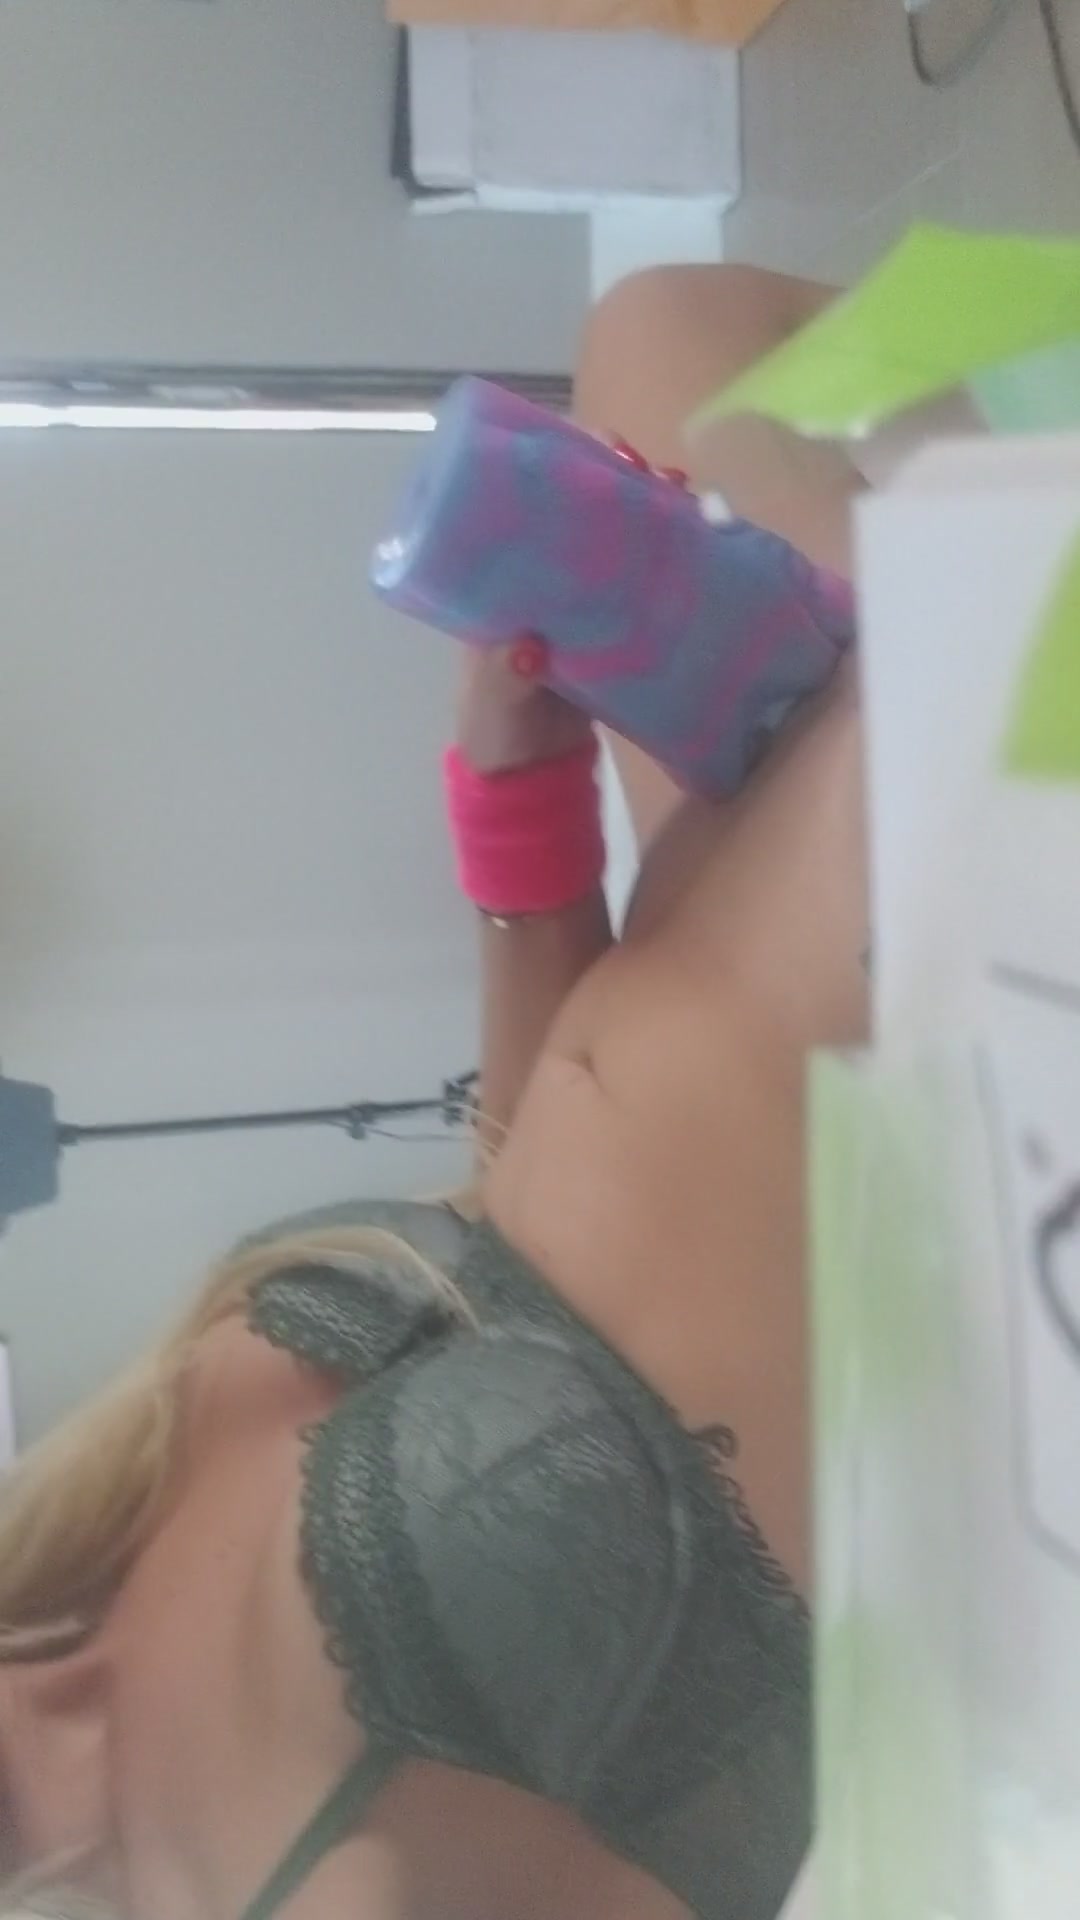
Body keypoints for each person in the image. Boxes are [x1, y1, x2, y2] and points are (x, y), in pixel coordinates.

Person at [0, 264, 869, 1920]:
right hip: (899, 1084)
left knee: (666, 330)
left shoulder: (71, 1547)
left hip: (722, 889)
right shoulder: (249, 1889)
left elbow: (500, 1260)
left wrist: (518, 815)